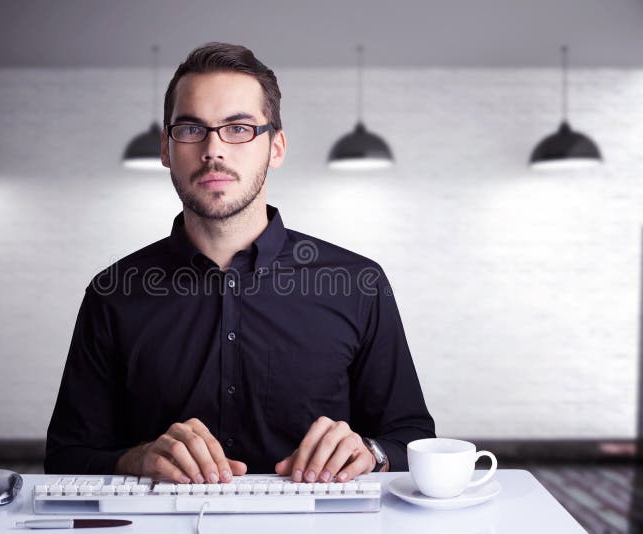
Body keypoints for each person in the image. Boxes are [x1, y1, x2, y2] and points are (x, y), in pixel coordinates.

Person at [45, 42, 435, 484]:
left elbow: (411, 437)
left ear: (276, 147)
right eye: (191, 129)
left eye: (238, 129)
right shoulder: (112, 294)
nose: (213, 149)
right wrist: (137, 458)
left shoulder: (358, 283)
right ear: (166, 149)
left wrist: (370, 451)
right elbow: (66, 458)